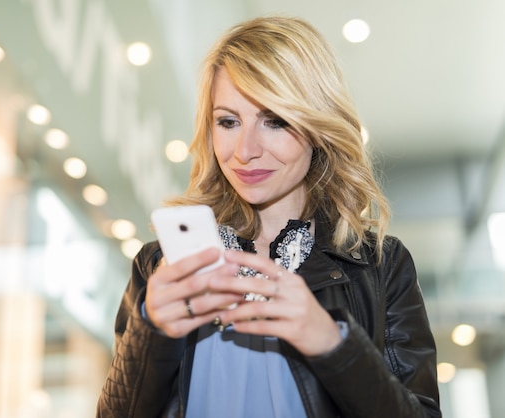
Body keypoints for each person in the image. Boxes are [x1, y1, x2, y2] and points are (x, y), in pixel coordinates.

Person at [97, 15, 441, 418]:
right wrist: (150, 332)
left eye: (274, 120)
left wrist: (333, 343)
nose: (245, 150)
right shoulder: (160, 266)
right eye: (228, 121)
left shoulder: (380, 266)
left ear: (318, 127)